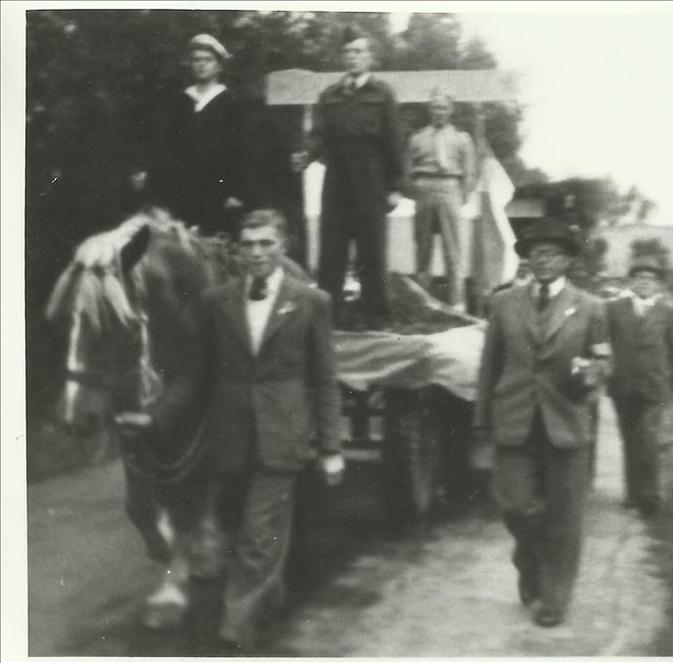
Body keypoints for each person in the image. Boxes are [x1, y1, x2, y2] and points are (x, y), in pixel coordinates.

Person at [117, 209, 343, 651]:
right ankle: (268, 598)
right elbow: (194, 377)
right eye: (249, 244)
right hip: (230, 439)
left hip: (282, 436)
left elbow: (325, 380)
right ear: (237, 250)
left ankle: (232, 632)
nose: (257, 253)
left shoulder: (312, 302)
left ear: (283, 247)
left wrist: (332, 448)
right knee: (240, 531)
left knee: (258, 535)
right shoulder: (216, 302)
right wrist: (156, 419)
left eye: (266, 243)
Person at [473, 220, 611, 628]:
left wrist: (590, 372)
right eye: (535, 253)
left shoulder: (590, 307)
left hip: (566, 424)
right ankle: (529, 560)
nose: (542, 260)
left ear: (567, 260)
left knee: (564, 520)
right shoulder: (504, 303)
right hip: (515, 422)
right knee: (516, 507)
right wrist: (482, 422)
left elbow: (604, 362)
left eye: (551, 253)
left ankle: (554, 599)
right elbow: (489, 366)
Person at [293, 25, 404, 325]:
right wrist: (307, 154)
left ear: (370, 57)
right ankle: (327, 317)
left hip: (372, 179)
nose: (353, 56)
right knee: (332, 251)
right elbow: (318, 136)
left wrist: (395, 186)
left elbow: (394, 141)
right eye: (348, 52)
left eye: (358, 51)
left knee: (372, 251)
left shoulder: (382, 94)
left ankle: (376, 316)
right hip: (337, 181)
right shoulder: (330, 95)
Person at [144, 34, 245, 236]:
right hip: (182, 193)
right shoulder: (180, 103)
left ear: (219, 66)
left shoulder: (231, 104)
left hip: (218, 192)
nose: (201, 65)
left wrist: (237, 192)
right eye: (196, 60)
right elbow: (167, 149)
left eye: (207, 60)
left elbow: (242, 151)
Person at [605, 256, 673, 516]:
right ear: (631, 282)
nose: (645, 283)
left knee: (648, 437)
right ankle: (632, 493)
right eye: (640, 278)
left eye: (651, 279)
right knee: (629, 438)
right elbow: (603, 343)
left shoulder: (669, 312)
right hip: (623, 386)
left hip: (654, 385)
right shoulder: (614, 309)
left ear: (659, 284)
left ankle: (650, 495)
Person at [404, 90, 477, 310]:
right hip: (424, 187)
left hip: (450, 186)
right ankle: (424, 304)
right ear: (429, 110)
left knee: (453, 249)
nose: (439, 112)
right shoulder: (417, 138)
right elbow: (407, 170)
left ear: (450, 110)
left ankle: (457, 303)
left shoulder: (462, 138)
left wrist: (461, 195)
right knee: (422, 249)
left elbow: (470, 173)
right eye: (435, 107)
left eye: (443, 108)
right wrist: (416, 191)